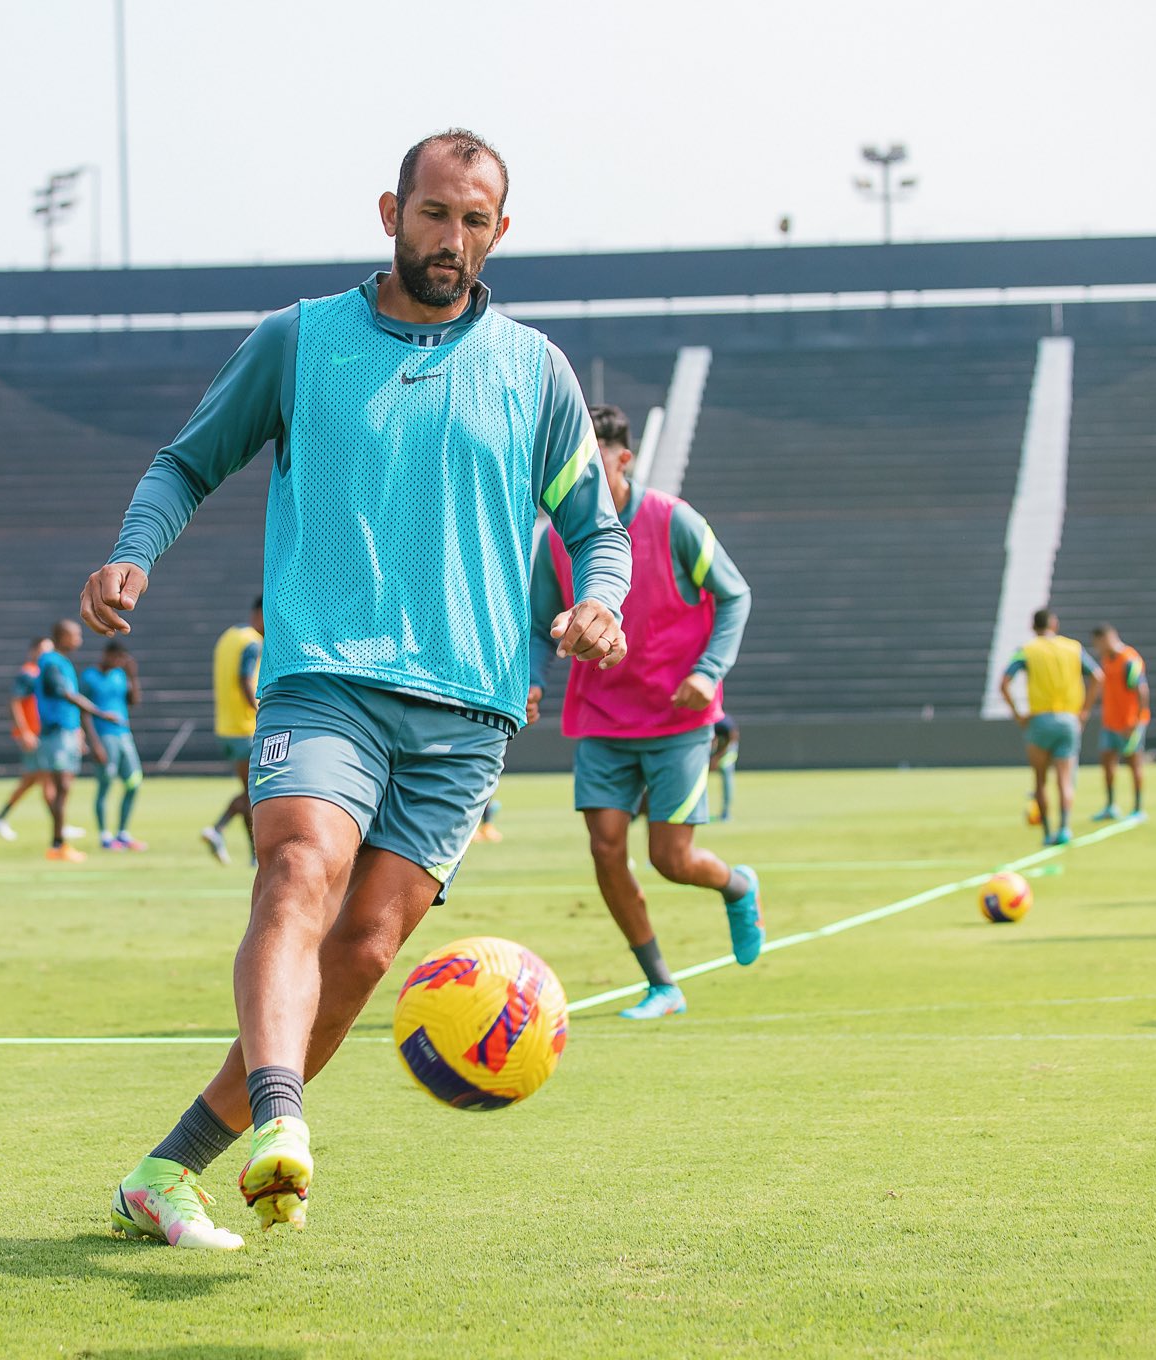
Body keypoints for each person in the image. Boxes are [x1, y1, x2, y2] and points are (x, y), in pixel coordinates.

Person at [82, 129, 629, 1249]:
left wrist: (597, 605)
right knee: (296, 868)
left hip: (469, 712)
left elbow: (594, 527)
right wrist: (137, 548)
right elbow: (185, 460)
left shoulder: (534, 371)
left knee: (369, 946)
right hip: (324, 678)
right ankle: (284, 1119)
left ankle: (165, 1171)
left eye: (474, 221)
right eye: (433, 213)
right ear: (390, 211)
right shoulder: (299, 341)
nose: (451, 238)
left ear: (499, 233)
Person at [526, 402, 757, 1022]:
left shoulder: (673, 520)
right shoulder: (555, 540)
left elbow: (735, 594)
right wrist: (530, 681)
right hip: (600, 715)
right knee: (605, 850)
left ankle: (737, 886)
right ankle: (661, 983)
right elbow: (535, 625)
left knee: (670, 859)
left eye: (594, 458)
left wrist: (707, 673)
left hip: (678, 718)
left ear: (623, 458)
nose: (581, 471)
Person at [998, 608, 1099, 847]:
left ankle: (1046, 833)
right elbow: (1098, 676)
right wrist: (1084, 711)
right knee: (1065, 779)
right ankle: (1064, 829)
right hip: (1068, 719)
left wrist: (1018, 714)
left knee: (1040, 780)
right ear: (1054, 624)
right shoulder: (1073, 648)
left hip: (1040, 720)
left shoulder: (1027, 650)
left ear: (1033, 627)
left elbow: (1004, 682)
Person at [31, 618, 123, 862]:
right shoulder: (51, 663)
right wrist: (100, 713)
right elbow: (67, 695)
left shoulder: (62, 663)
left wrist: (79, 732)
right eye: (75, 635)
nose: (79, 639)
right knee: (62, 787)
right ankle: (58, 844)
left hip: (67, 731)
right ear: (62, 637)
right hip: (57, 731)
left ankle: (59, 841)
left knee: (65, 788)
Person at [201, 600, 264, 866]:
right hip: (246, 728)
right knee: (255, 792)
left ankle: (254, 855)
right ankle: (218, 828)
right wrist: (260, 711)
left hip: (225, 728)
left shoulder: (229, 637)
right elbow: (245, 679)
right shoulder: (252, 642)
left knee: (250, 791)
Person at [83, 641, 146, 851]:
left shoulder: (120, 675)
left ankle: (123, 833)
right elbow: (84, 712)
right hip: (104, 737)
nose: (120, 662)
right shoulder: (89, 677)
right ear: (107, 654)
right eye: (117, 657)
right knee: (105, 784)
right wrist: (94, 743)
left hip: (123, 735)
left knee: (134, 781)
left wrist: (133, 676)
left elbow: (134, 701)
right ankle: (104, 836)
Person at [0, 636, 51, 842]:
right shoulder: (28, 674)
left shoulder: (42, 673)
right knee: (43, 777)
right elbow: (15, 702)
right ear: (33, 651)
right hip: (32, 734)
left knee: (35, 779)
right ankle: (59, 825)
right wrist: (24, 731)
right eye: (43, 650)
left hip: (40, 732)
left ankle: (1, 817)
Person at [1089, 624, 1150, 821]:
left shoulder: (1129, 660)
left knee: (1134, 763)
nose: (1097, 647)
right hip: (1110, 722)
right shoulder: (1107, 660)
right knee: (1107, 763)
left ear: (1108, 638)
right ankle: (1110, 806)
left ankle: (1138, 808)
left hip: (1129, 723)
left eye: (1098, 642)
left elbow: (1141, 691)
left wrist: (1137, 720)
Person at [710, 712, 739, 822]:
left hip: (728, 748)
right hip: (714, 746)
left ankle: (726, 812)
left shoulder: (724, 722)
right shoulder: (704, 720)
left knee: (727, 774)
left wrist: (717, 758)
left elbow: (733, 737)